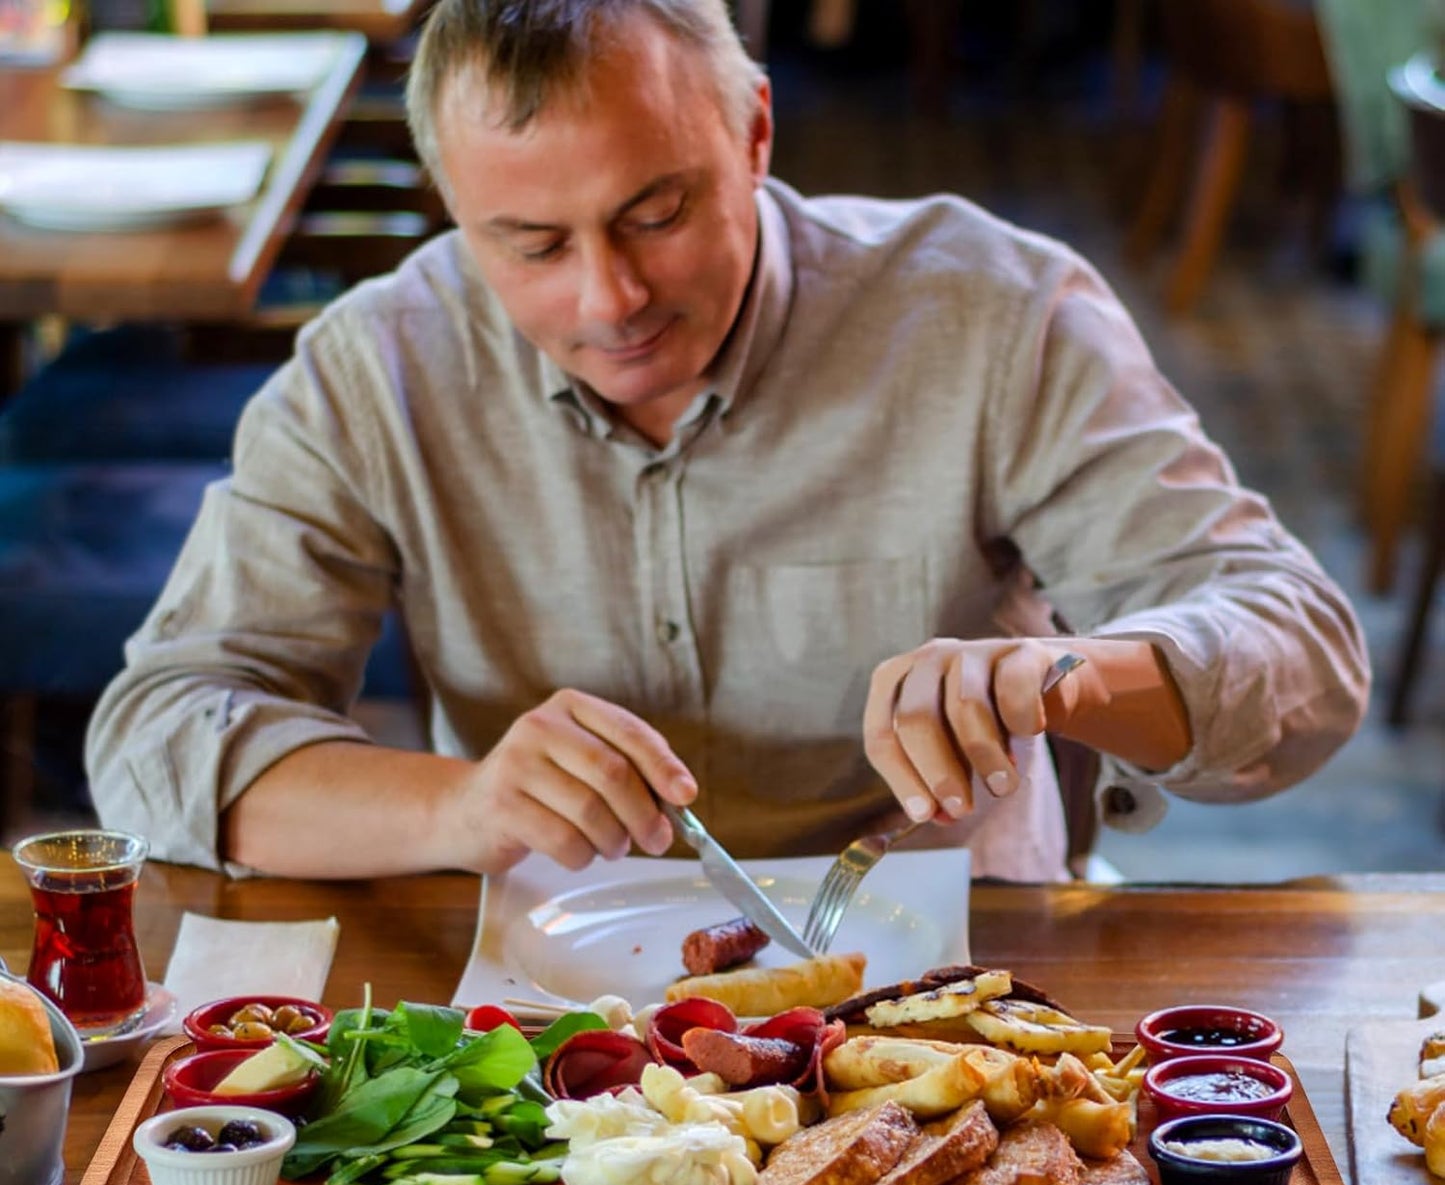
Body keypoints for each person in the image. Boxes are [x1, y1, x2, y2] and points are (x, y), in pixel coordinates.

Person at [85, 0, 1369, 884]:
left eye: (657, 212)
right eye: (529, 245)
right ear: (456, 212)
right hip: (546, 993)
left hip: (964, 960)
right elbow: (154, 736)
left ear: (753, 133)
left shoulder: (992, 309)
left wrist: (1070, 679)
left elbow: (1302, 653)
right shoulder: (379, 360)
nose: (609, 300)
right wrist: (458, 805)